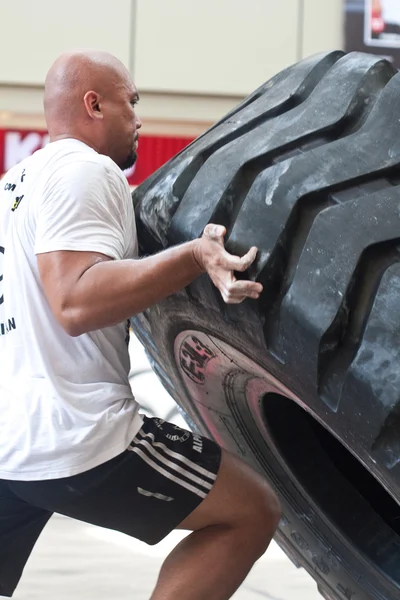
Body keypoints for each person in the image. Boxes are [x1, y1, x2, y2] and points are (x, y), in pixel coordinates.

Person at [0, 50, 281, 599]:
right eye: (131, 101)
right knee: (252, 510)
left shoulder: (15, 184)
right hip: (77, 437)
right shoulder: (86, 168)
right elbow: (76, 302)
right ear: (93, 104)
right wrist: (194, 255)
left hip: (8, 442)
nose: (139, 118)